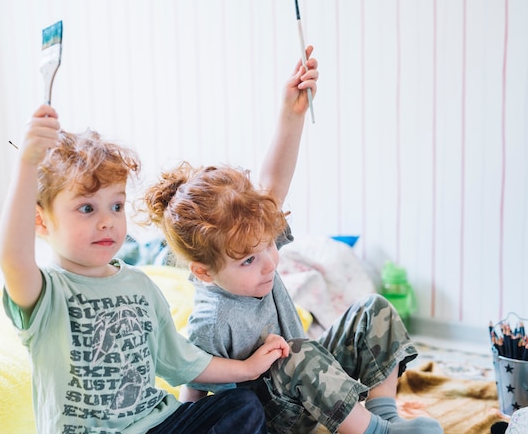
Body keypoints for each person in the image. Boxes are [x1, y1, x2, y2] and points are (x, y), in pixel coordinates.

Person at [140, 49, 444, 434]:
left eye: (268, 245)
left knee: (373, 309)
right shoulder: (211, 319)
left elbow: (273, 183)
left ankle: (384, 418)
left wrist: (292, 114)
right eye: (248, 261)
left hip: (312, 386)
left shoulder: (253, 243)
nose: (269, 262)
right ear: (204, 272)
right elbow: (194, 385)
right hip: (275, 418)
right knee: (296, 354)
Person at [0, 104, 292, 434]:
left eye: (116, 205)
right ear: (40, 220)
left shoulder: (139, 285)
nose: (107, 221)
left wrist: (248, 368)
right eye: (86, 208)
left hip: (159, 424)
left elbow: (183, 362)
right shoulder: (47, 293)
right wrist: (27, 164)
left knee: (243, 407)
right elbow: (13, 258)